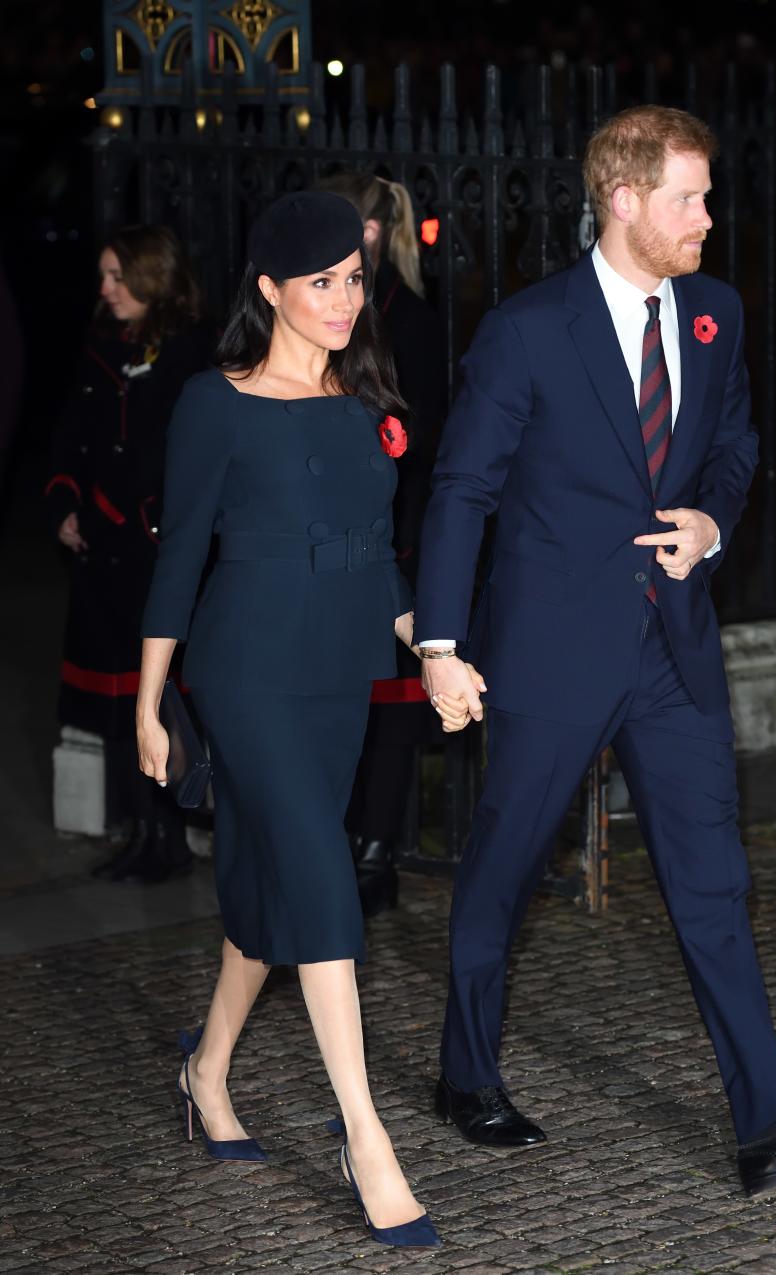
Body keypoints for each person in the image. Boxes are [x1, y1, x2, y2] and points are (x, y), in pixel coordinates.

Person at [414, 106, 776, 1197]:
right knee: (503, 870)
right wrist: (441, 643)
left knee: (714, 883)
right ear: (624, 199)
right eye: (689, 197)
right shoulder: (530, 329)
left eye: (709, 195)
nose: (709, 218)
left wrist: (713, 526)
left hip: (673, 648)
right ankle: (464, 1073)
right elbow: (462, 492)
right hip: (548, 652)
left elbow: (734, 448)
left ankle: (770, 1127)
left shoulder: (716, 315)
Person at [135, 192, 469, 1247]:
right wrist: (148, 700)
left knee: (274, 888)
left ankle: (207, 1070)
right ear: (270, 288)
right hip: (244, 673)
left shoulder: (366, 397)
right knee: (324, 878)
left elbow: (381, 559)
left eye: (354, 279)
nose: (341, 299)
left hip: (338, 675)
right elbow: (180, 555)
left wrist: (438, 656)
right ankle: (366, 1138)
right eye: (319, 281)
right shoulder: (215, 402)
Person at [45, 225, 211, 882]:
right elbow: (72, 435)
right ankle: (142, 825)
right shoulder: (99, 348)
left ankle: (169, 827)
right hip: (100, 554)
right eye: (104, 277)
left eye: (119, 276)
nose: (107, 290)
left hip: (151, 550)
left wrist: (148, 516)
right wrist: (63, 504)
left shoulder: (189, 352)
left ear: (152, 277)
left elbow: (185, 451)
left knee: (160, 695)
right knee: (116, 700)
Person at [317, 171, 447, 916]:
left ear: (371, 233)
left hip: (397, 528)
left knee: (395, 700)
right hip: (341, 528)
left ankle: (378, 849)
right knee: (346, 694)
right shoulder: (337, 307)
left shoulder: (411, 318)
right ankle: (343, 839)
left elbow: (420, 433)